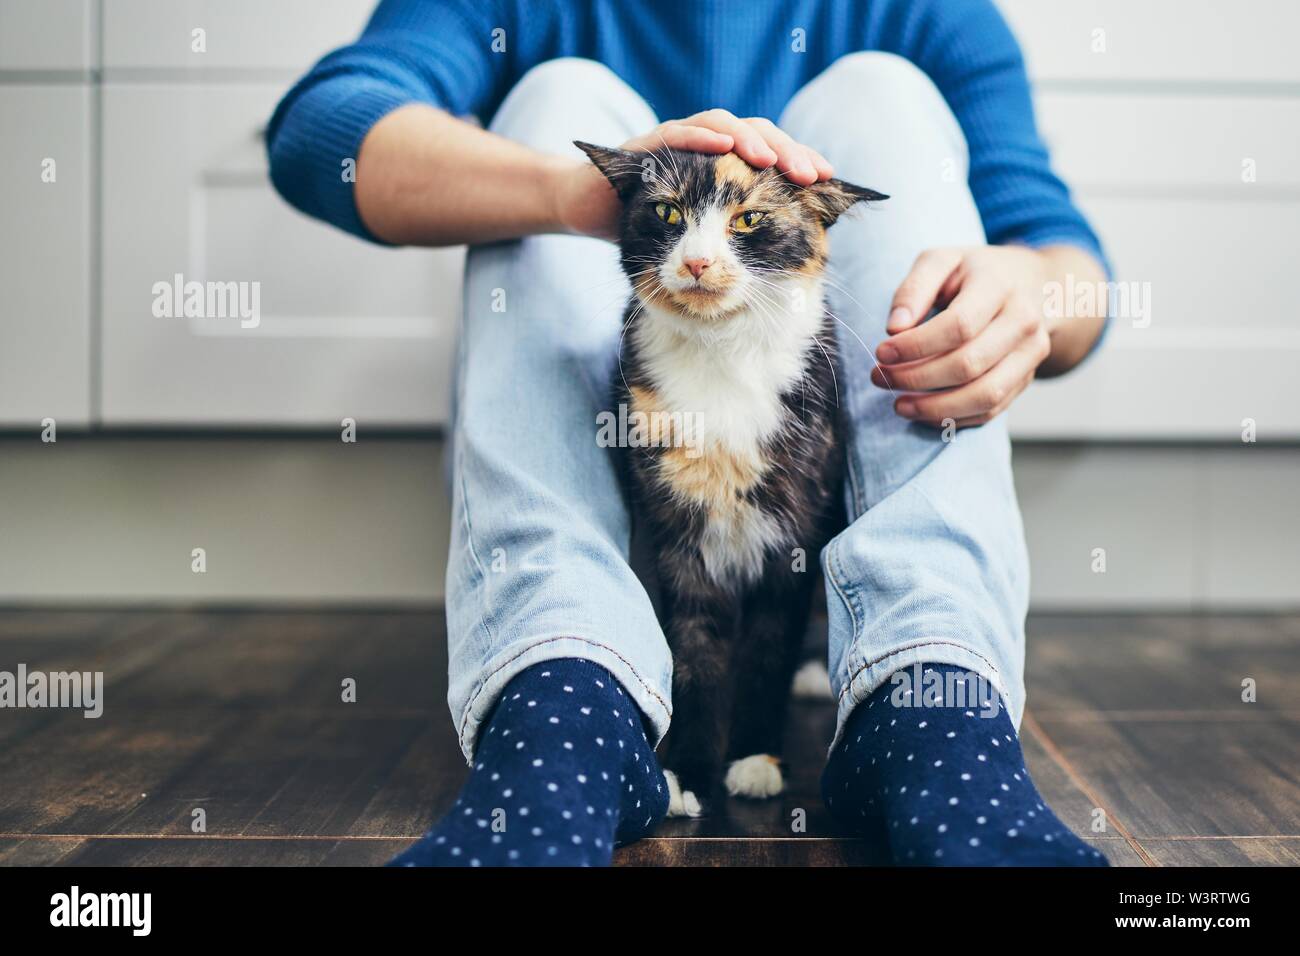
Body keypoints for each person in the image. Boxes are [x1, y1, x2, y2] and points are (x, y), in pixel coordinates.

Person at [268, 0, 1109, 866]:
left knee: (883, 94)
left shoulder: (933, 11)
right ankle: (565, 701)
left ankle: (932, 704)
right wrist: (571, 194)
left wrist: (1034, 289)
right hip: (637, 518)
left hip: (805, 511)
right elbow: (316, 134)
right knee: (559, 95)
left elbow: (1070, 258)